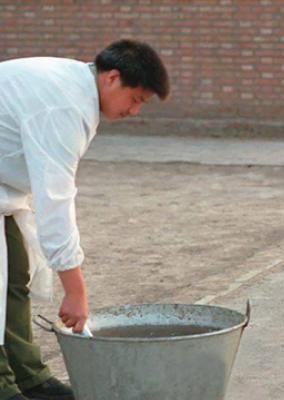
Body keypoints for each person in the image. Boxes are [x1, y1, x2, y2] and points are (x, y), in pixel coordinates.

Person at [0, 39, 169, 400]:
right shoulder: (63, 106)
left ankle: (28, 375)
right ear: (112, 77)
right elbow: (55, 201)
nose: (134, 112)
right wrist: (75, 290)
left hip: (3, 192)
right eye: (136, 99)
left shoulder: (74, 87)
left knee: (15, 274)